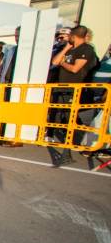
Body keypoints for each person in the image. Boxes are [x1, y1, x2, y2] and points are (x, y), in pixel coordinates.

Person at [47, 25, 99, 166]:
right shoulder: (70, 49)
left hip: (75, 90)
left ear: (74, 36)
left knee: (71, 120)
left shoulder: (86, 50)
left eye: (69, 35)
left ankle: (71, 150)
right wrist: (66, 49)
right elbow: (54, 62)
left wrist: (63, 62)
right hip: (63, 89)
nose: (66, 38)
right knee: (63, 118)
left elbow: (76, 69)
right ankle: (69, 149)